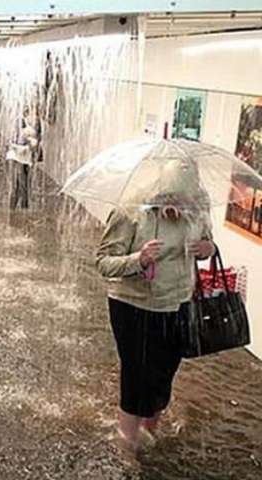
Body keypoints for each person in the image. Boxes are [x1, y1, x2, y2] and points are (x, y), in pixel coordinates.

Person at [96, 159, 215, 454]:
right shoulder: (129, 211)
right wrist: (139, 259)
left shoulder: (198, 208)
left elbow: (209, 241)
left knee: (164, 373)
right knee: (136, 374)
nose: (177, 206)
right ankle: (126, 440)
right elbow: (103, 263)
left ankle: (150, 431)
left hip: (178, 303)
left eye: (183, 199)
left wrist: (207, 249)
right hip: (133, 304)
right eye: (170, 198)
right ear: (159, 191)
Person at [6, 107, 41, 209]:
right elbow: (13, 141)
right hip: (18, 157)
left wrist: (32, 143)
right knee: (20, 185)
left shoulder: (36, 124)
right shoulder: (20, 122)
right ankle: (19, 209)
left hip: (25, 158)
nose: (35, 117)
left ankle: (18, 209)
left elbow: (36, 142)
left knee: (22, 185)